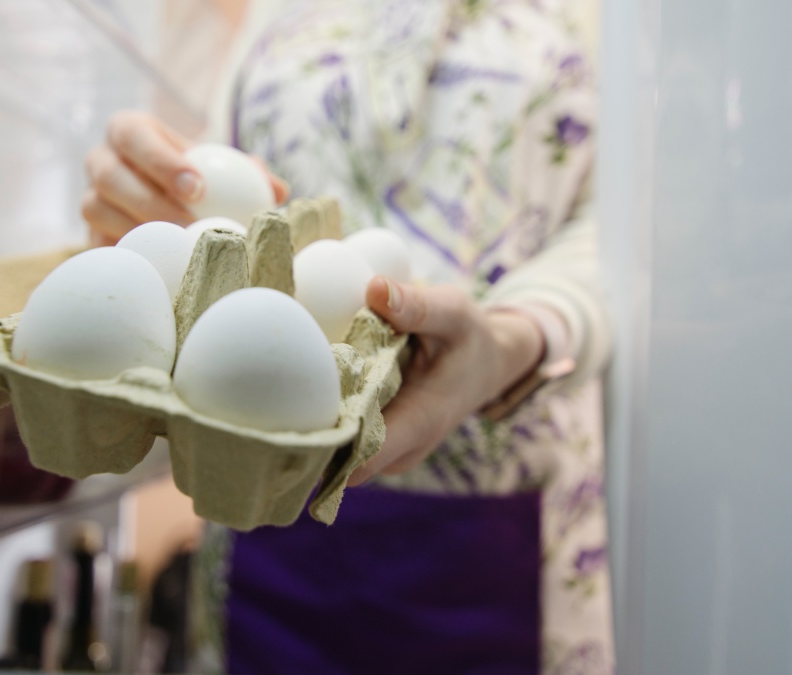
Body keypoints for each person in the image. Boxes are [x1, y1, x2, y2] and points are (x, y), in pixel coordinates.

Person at [82, 1, 612, 672]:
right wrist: (150, 197)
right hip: (268, 499)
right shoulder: (272, 16)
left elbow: (627, 236)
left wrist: (514, 337)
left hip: (504, 513)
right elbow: (228, 212)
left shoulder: (600, 20)